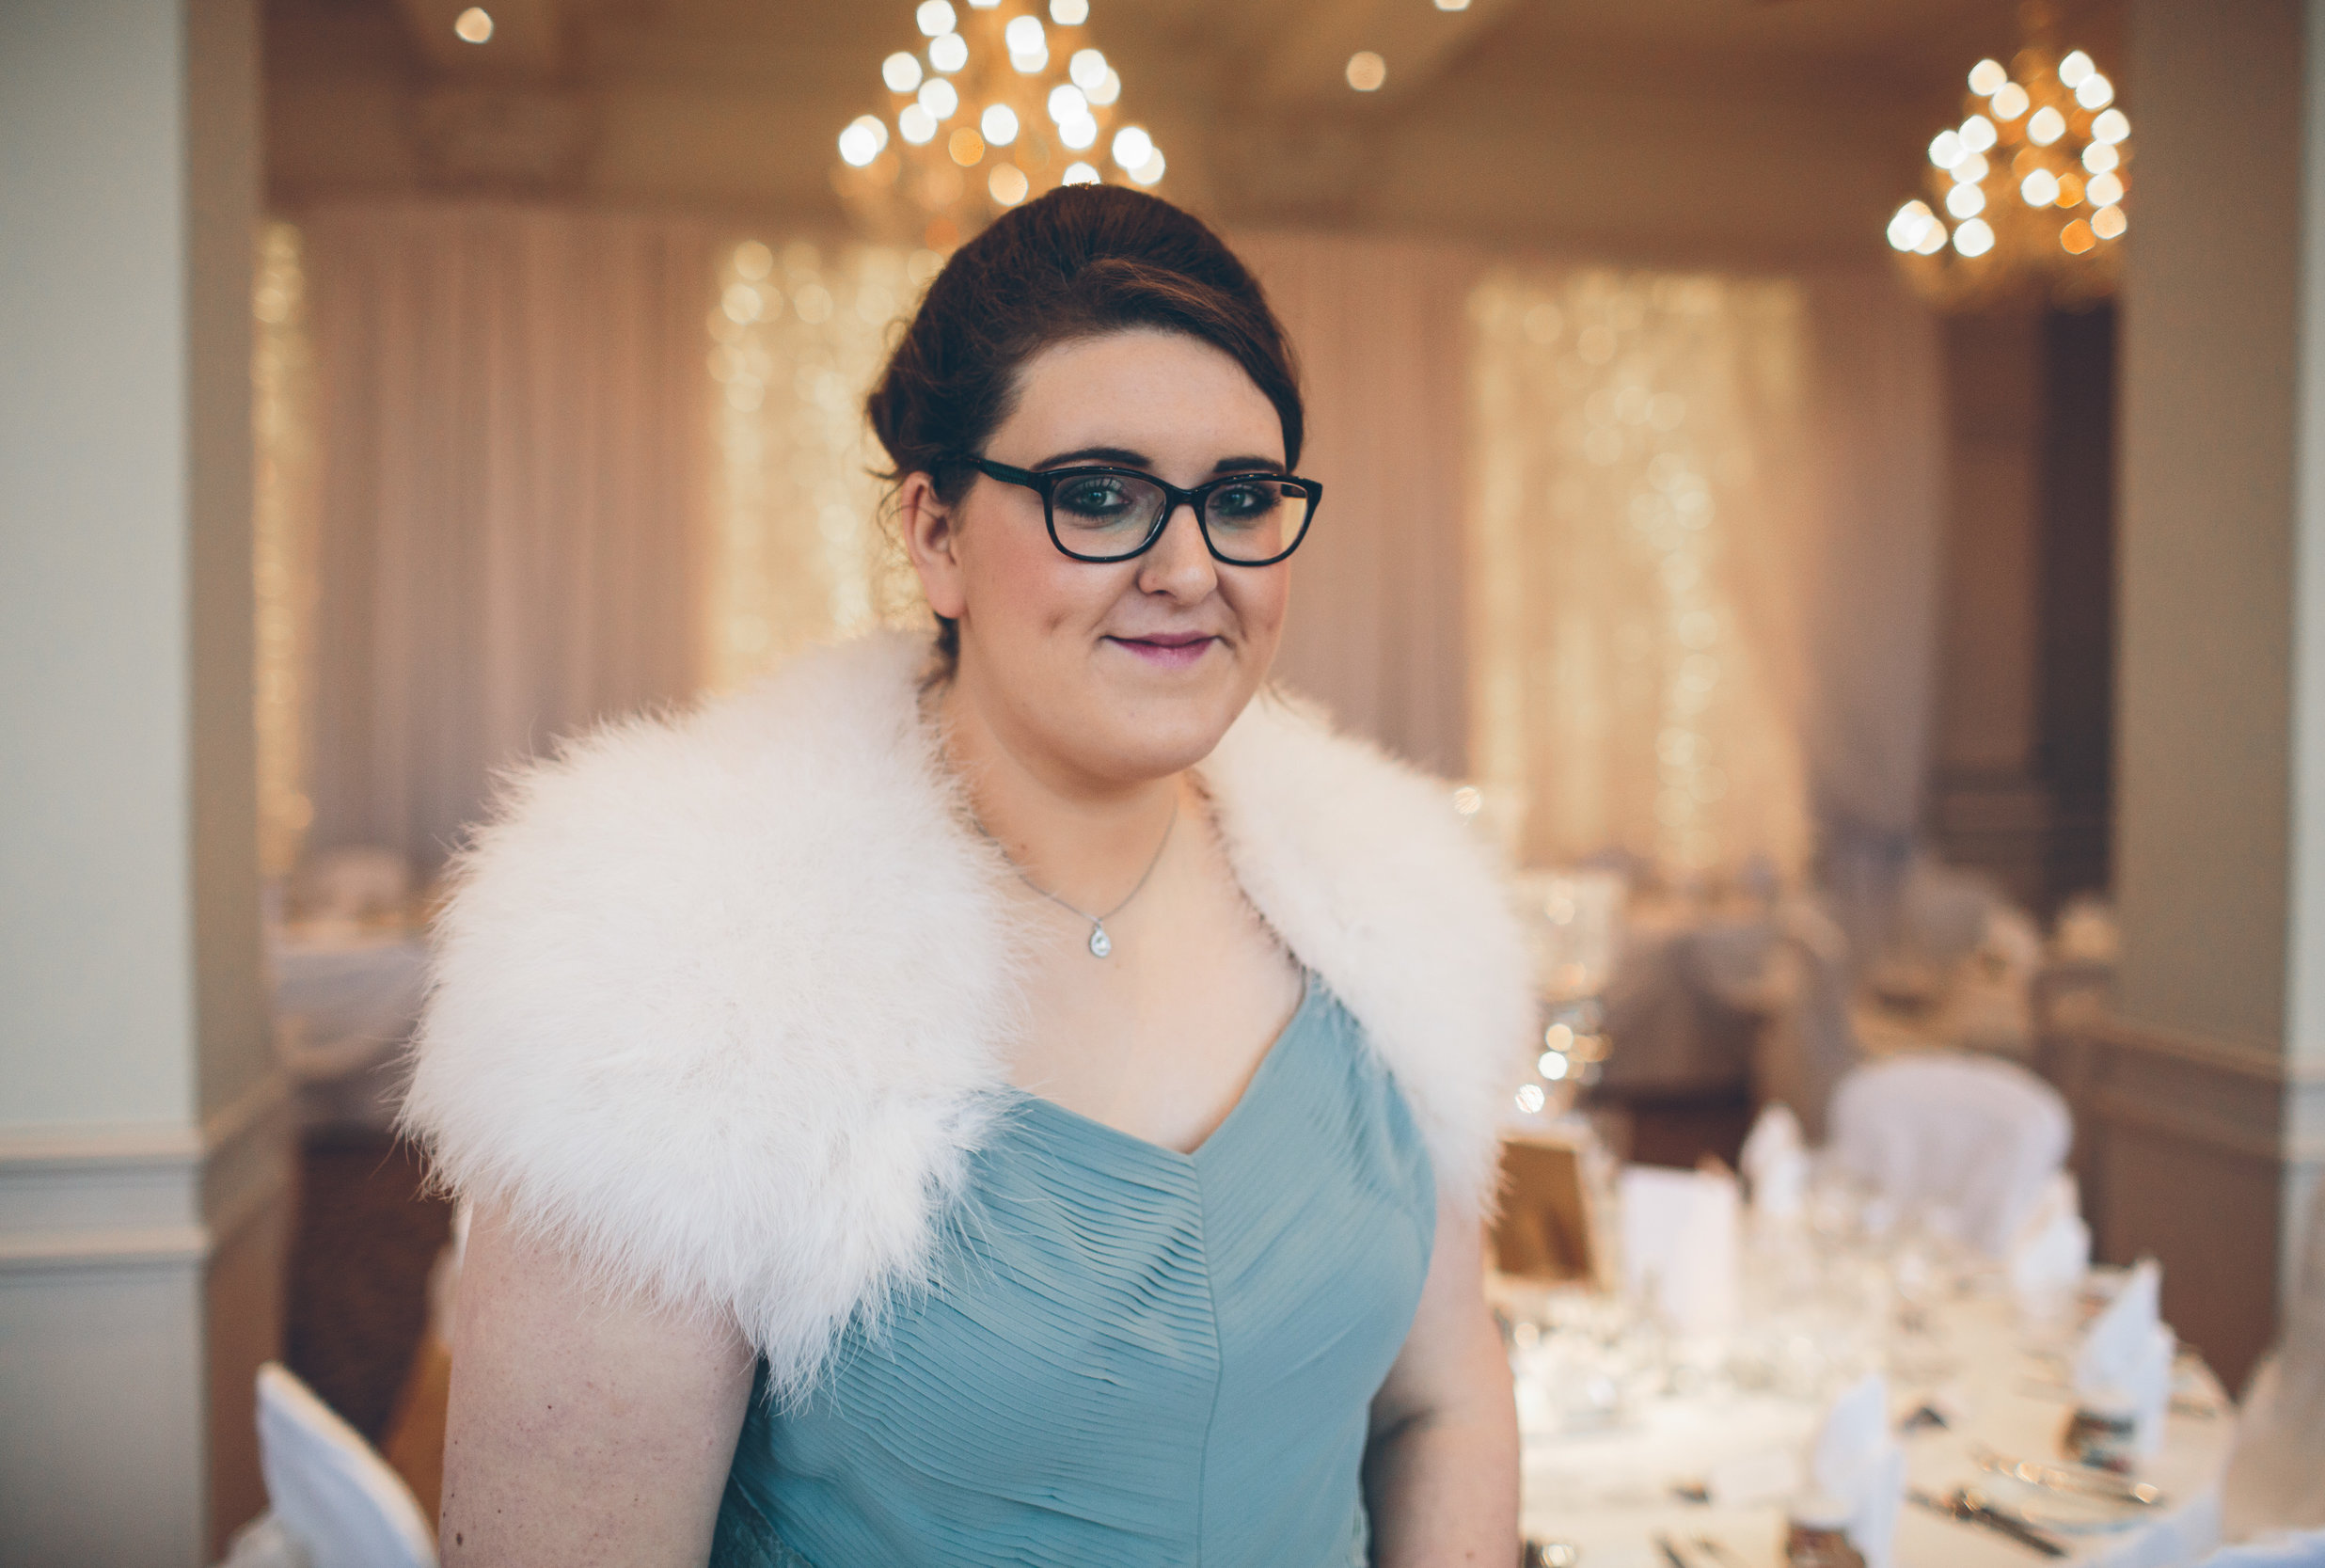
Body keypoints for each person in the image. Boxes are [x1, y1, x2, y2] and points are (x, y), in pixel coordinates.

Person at [403, 185, 1534, 1568]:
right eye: (1101, 495)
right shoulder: (673, 975)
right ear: (934, 535)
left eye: (1242, 499)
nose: (1190, 568)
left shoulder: (1391, 925)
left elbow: (1442, 1404)